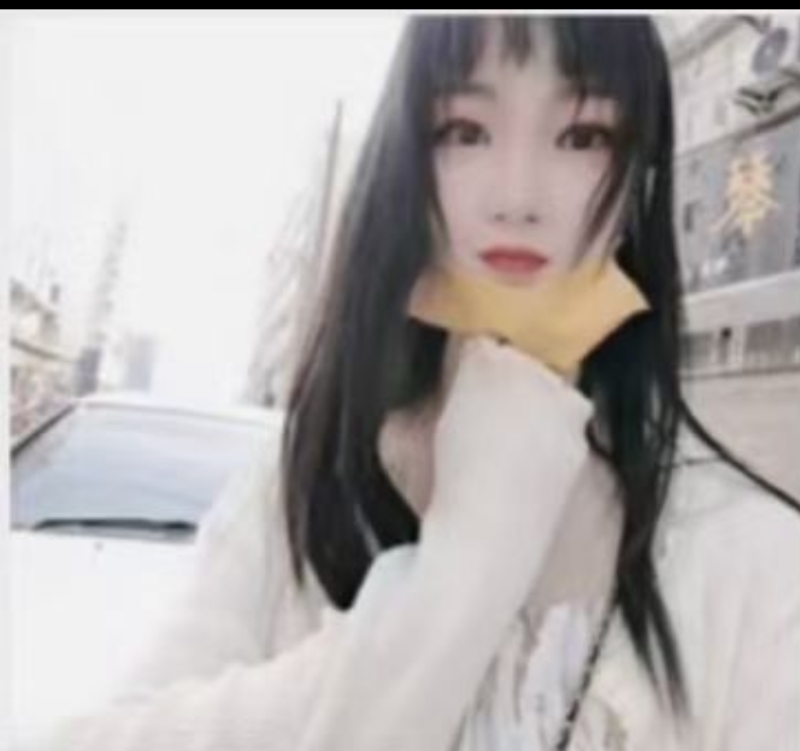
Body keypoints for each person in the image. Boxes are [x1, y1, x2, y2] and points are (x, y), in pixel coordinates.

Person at [28, 15, 800, 751]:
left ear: (639, 181)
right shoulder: (300, 492)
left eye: (583, 136)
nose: (517, 197)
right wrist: (457, 575)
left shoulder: (747, 559)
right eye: (464, 130)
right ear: (406, 167)